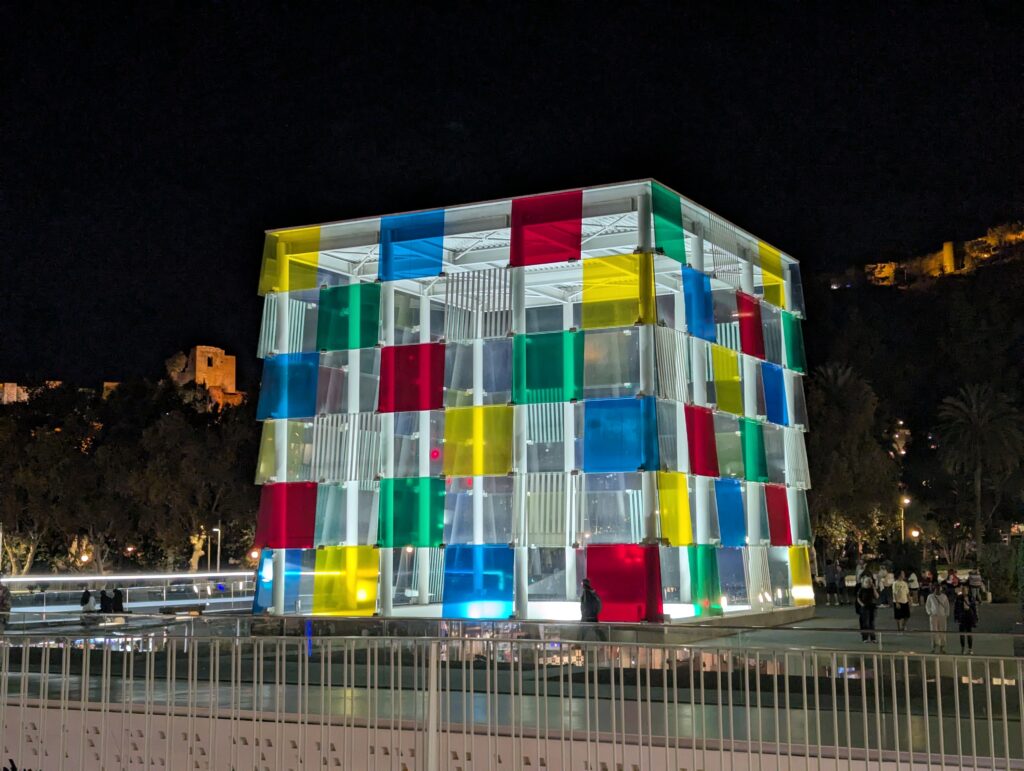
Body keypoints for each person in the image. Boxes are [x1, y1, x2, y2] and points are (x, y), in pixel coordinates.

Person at [953, 585, 979, 654]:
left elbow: (974, 608)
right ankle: (963, 648)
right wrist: (956, 617)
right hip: (962, 615)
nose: (964, 592)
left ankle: (970, 648)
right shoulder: (958, 598)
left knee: (969, 633)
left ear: (967, 591)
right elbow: (956, 608)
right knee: (962, 633)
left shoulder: (971, 597)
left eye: (965, 590)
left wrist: (976, 617)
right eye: (963, 590)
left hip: (969, 615)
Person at [926, 583, 950, 653]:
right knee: (933, 631)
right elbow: (927, 606)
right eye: (937, 588)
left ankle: (942, 648)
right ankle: (933, 647)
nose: (938, 590)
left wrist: (946, 614)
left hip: (942, 616)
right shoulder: (930, 596)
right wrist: (930, 613)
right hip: (934, 616)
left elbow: (947, 606)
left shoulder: (944, 596)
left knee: (942, 631)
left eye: (939, 588)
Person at [856, 574, 879, 642]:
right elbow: (858, 598)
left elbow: (877, 596)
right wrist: (862, 604)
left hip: (872, 607)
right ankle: (865, 638)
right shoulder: (861, 589)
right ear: (864, 582)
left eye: (869, 582)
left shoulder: (872, 589)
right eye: (867, 582)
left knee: (872, 623)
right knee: (865, 623)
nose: (868, 583)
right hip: (865, 607)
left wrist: (874, 588)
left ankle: (873, 638)